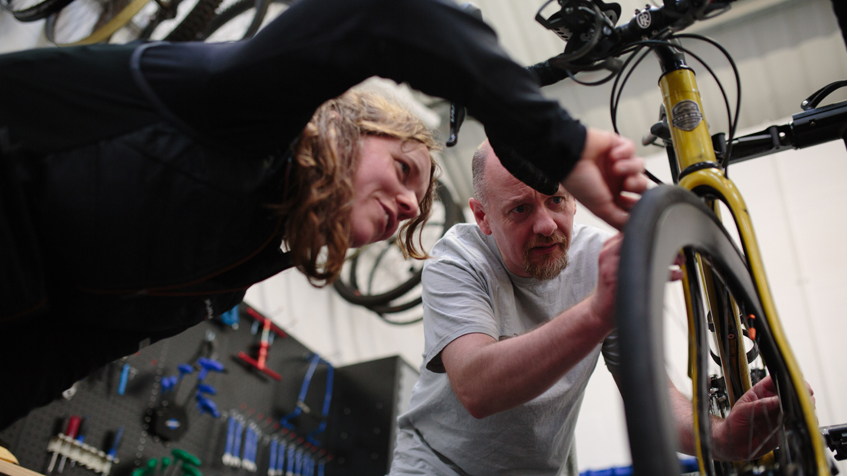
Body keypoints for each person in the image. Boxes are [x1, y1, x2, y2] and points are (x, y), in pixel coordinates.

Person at [0, 0, 646, 428]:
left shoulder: (244, 258)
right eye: (401, 173)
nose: (403, 210)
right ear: (342, 127)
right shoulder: (240, 117)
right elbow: (391, 15)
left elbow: (55, 353)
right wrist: (560, 145)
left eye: (410, 212)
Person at [388, 140, 793, 476]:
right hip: (435, 468)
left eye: (556, 200)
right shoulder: (456, 261)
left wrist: (720, 438)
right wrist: (599, 311)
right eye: (520, 209)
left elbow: (652, 396)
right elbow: (478, 389)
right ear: (483, 217)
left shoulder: (597, 260)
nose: (546, 224)